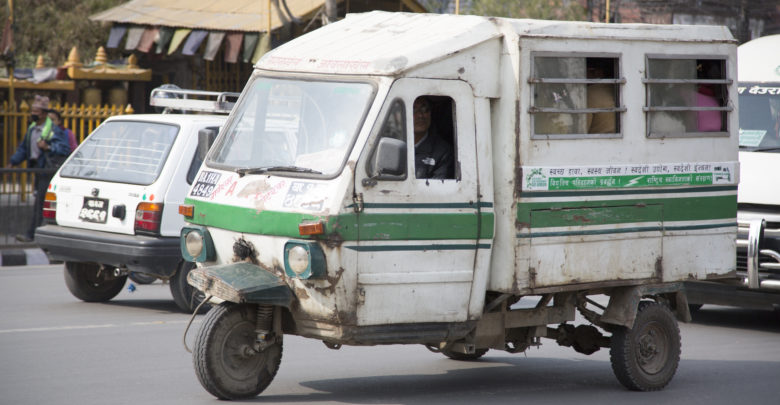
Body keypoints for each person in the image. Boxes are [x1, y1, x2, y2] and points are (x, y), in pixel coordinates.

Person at [7, 95, 72, 242]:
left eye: (35, 111)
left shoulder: (53, 130)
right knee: (40, 202)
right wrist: (12, 162)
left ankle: (33, 235)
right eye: (32, 111)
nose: (32, 114)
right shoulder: (32, 129)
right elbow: (24, 148)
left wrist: (48, 147)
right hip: (37, 169)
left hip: (47, 171)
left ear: (43, 114)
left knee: (41, 203)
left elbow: (64, 149)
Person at [412, 96, 454, 179]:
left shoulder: (443, 152)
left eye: (425, 110)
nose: (420, 115)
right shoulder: (392, 144)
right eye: (413, 110)